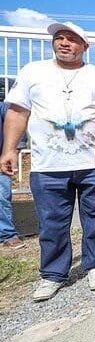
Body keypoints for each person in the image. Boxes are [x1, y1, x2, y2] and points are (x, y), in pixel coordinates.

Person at [0, 21, 95, 301]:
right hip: (48, 164)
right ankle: (53, 273)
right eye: (60, 38)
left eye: (72, 39)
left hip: (94, 162)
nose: (64, 43)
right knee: (52, 223)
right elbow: (17, 112)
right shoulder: (33, 72)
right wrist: (9, 150)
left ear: (85, 46)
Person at [0, 102, 25, 250]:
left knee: (2, 197)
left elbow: (16, 120)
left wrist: (12, 151)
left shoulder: (3, 107)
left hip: (0, 160)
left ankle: (7, 234)